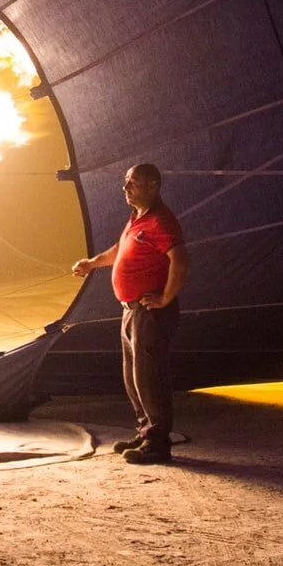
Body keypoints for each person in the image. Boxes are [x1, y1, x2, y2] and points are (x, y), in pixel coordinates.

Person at [70, 163, 188, 464]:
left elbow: (180, 260)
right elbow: (118, 250)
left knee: (150, 378)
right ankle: (145, 431)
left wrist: (165, 297)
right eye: (126, 182)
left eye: (132, 183)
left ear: (152, 186)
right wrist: (92, 263)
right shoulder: (137, 218)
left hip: (150, 312)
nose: (126, 188)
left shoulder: (161, 221)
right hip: (131, 310)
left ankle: (158, 444)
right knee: (134, 377)